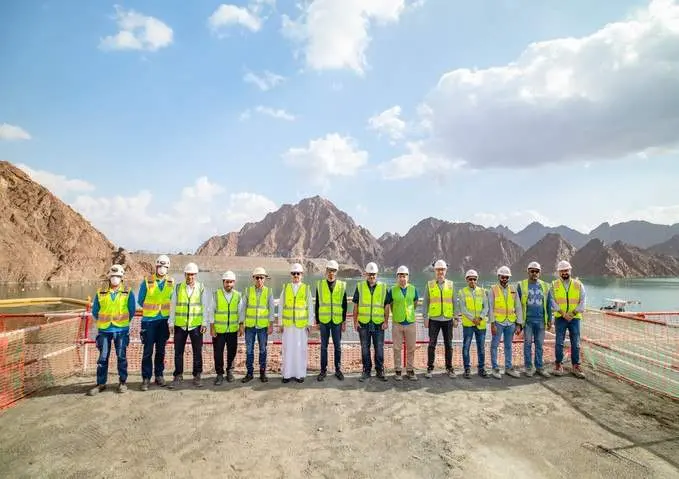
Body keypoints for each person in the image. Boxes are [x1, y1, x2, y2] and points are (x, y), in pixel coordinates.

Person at [87, 264, 136, 396]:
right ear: (109, 277)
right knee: (102, 358)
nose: (115, 278)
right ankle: (101, 383)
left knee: (121, 356)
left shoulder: (128, 291)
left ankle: (122, 382)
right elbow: (95, 310)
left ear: (122, 278)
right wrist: (103, 322)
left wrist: (123, 323)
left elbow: (131, 310)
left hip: (121, 330)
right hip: (104, 330)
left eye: (118, 276)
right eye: (113, 276)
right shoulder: (100, 292)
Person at [168, 262, 210, 389]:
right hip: (180, 326)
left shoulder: (201, 288)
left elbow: (205, 306)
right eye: (188, 274)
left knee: (197, 352)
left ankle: (197, 375)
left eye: (192, 274)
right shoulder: (177, 288)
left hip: (196, 326)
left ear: (196, 275)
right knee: (178, 352)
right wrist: (171, 322)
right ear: (184, 274)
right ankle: (178, 375)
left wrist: (204, 322)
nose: (190, 277)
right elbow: (173, 306)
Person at [137, 254, 174, 391]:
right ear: (156, 266)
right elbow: (140, 300)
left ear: (168, 268)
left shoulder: (171, 282)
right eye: (160, 266)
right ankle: (146, 378)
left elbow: (172, 299)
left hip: (163, 321)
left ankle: (159, 375)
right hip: (149, 322)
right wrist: (152, 309)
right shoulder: (147, 281)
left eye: (165, 267)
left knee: (161, 350)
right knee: (147, 351)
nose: (162, 269)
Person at [551, 260, 586, 379]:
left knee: (575, 343)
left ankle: (576, 365)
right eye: (562, 271)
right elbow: (552, 301)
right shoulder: (554, 285)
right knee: (559, 342)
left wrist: (572, 313)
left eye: (566, 270)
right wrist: (562, 313)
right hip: (560, 318)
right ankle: (558, 364)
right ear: (558, 272)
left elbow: (582, 301)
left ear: (570, 270)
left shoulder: (578, 285)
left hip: (574, 318)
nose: (564, 272)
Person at [353, 261, 388, 382]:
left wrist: (386, 321)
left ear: (376, 274)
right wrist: (355, 321)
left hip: (379, 324)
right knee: (364, 348)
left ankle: (380, 370)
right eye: (369, 274)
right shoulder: (360, 287)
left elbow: (387, 306)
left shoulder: (383, 287)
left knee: (379, 348)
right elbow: (356, 305)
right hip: (363, 323)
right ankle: (366, 371)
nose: (371, 276)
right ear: (366, 274)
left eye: (373, 274)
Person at [280, 263, 314, 383]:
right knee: (288, 349)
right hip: (288, 325)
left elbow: (310, 307)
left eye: (298, 273)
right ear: (291, 275)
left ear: (302, 275)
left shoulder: (306, 289)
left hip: (301, 326)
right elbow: (281, 306)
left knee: (300, 349)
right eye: (294, 273)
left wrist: (309, 324)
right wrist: (280, 323)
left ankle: (299, 374)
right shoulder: (286, 288)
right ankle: (287, 374)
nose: (296, 275)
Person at [422, 259, 457, 378]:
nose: (440, 272)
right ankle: (430, 368)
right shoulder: (429, 284)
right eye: (438, 269)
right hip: (434, 320)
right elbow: (425, 302)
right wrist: (425, 317)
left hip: (447, 319)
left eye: (442, 269)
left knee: (449, 345)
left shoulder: (451, 285)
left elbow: (454, 302)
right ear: (434, 271)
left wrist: (456, 317)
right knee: (432, 344)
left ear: (445, 271)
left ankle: (449, 368)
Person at [517, 261, 552, 378]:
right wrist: (519, 322)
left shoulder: (546, 286)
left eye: (537, 271)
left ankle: (539, 367)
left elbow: (548, 304)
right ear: (528, 271)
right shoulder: (521, 285)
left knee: (539, 345)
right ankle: (528, 367)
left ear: (540, 272)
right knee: (527, 344)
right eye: (532, 271)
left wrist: (549, 320)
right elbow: (517, 305)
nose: (534, 273)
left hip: (541, 321)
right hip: (528, 322)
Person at [240, 267, 275, 383]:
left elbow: (271, 309)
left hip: (262, 327)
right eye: (257, 277)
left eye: (261, 277)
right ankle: (249, 373)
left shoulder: (268, 291)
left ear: (264, 279)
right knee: (249, 350)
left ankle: (262, 373)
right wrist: (241, 324)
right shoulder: (247, 291)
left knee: (263, 350)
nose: (259, 279)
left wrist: (271, 325)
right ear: (253, 278)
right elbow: (243, 308)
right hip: (249, 326)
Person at [488, 266, 523, 379]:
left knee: (508, 346)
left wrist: (519, 324)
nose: (504, 279)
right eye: (502, 277)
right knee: (494, 345)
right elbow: (490, 307)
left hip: (511, 323)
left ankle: (508, 367)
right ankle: (495, 368)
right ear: (499, 277)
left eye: (506, 277)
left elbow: (518, 307)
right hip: (498, 322)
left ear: (508, 278)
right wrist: (492, 324)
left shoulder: (513, 290)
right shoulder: (493, 289)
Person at [315, 259, 348, 381]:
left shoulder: (341, 285)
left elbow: (344, 305)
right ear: (326, 271)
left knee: (337, 346)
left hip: (337, 321)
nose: (331, 273)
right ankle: (323, 371)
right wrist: (317, 321)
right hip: (324, 321)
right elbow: (317, 304)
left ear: (336, 272)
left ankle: (338, 370)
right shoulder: (320, 285)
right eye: (329, 270)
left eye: (333, 271)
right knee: (323, 346)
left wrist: (344, 321)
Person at [385, 265, 419, 381]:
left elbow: (415, 302)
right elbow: (389, 305)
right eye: (400, 276)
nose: (402, 278)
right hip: (397, 323)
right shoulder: (392, 290)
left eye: (404, 276)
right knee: (397, 348)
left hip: (410, 322)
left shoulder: (413, 289)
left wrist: (409, 313)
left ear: (408, 277)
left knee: (411, 348)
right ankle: (398, 370)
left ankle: (410, 370)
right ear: (397, 277)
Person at [210, 270, 242, 385]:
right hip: (219, 330)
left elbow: (240, 313)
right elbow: (211, 311)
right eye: (227, 282)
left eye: (231, 282)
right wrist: (212, 327)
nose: (229, 284)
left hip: (232, 330)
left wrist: (241, 326)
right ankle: (219, 374)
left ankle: (229, 371)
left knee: (231, 352)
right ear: (223, 282)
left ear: (234, 283)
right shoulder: (216, 294)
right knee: (218, 353)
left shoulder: (238, 295)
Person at [457, 269, 489, 379]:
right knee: (466, 346)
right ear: (466, 280)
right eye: (470, 279)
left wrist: (480, 318)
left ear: (477, 280)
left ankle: (481, 368)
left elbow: (486, 307)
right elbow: (463, 308)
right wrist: (473, 319)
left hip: (481, 324)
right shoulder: (462, 292)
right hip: (468, 325)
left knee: (481, 347)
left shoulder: (482, 291)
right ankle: (467, 369)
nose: (472, 281)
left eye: (474, 279)